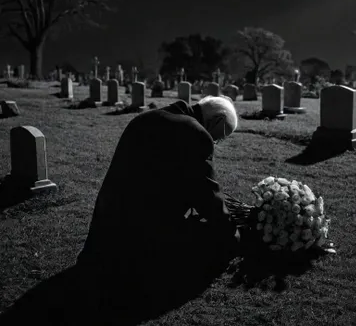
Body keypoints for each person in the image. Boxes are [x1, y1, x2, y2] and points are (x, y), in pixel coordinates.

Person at [76, 95, 241, 286]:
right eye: (220, 137)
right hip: (140, 240)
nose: (216, 143)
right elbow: (207, 197)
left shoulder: (146, 118)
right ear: (218, 120)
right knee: (211, 238)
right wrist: (233, 235)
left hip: (105, 235)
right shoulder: (196, 134)